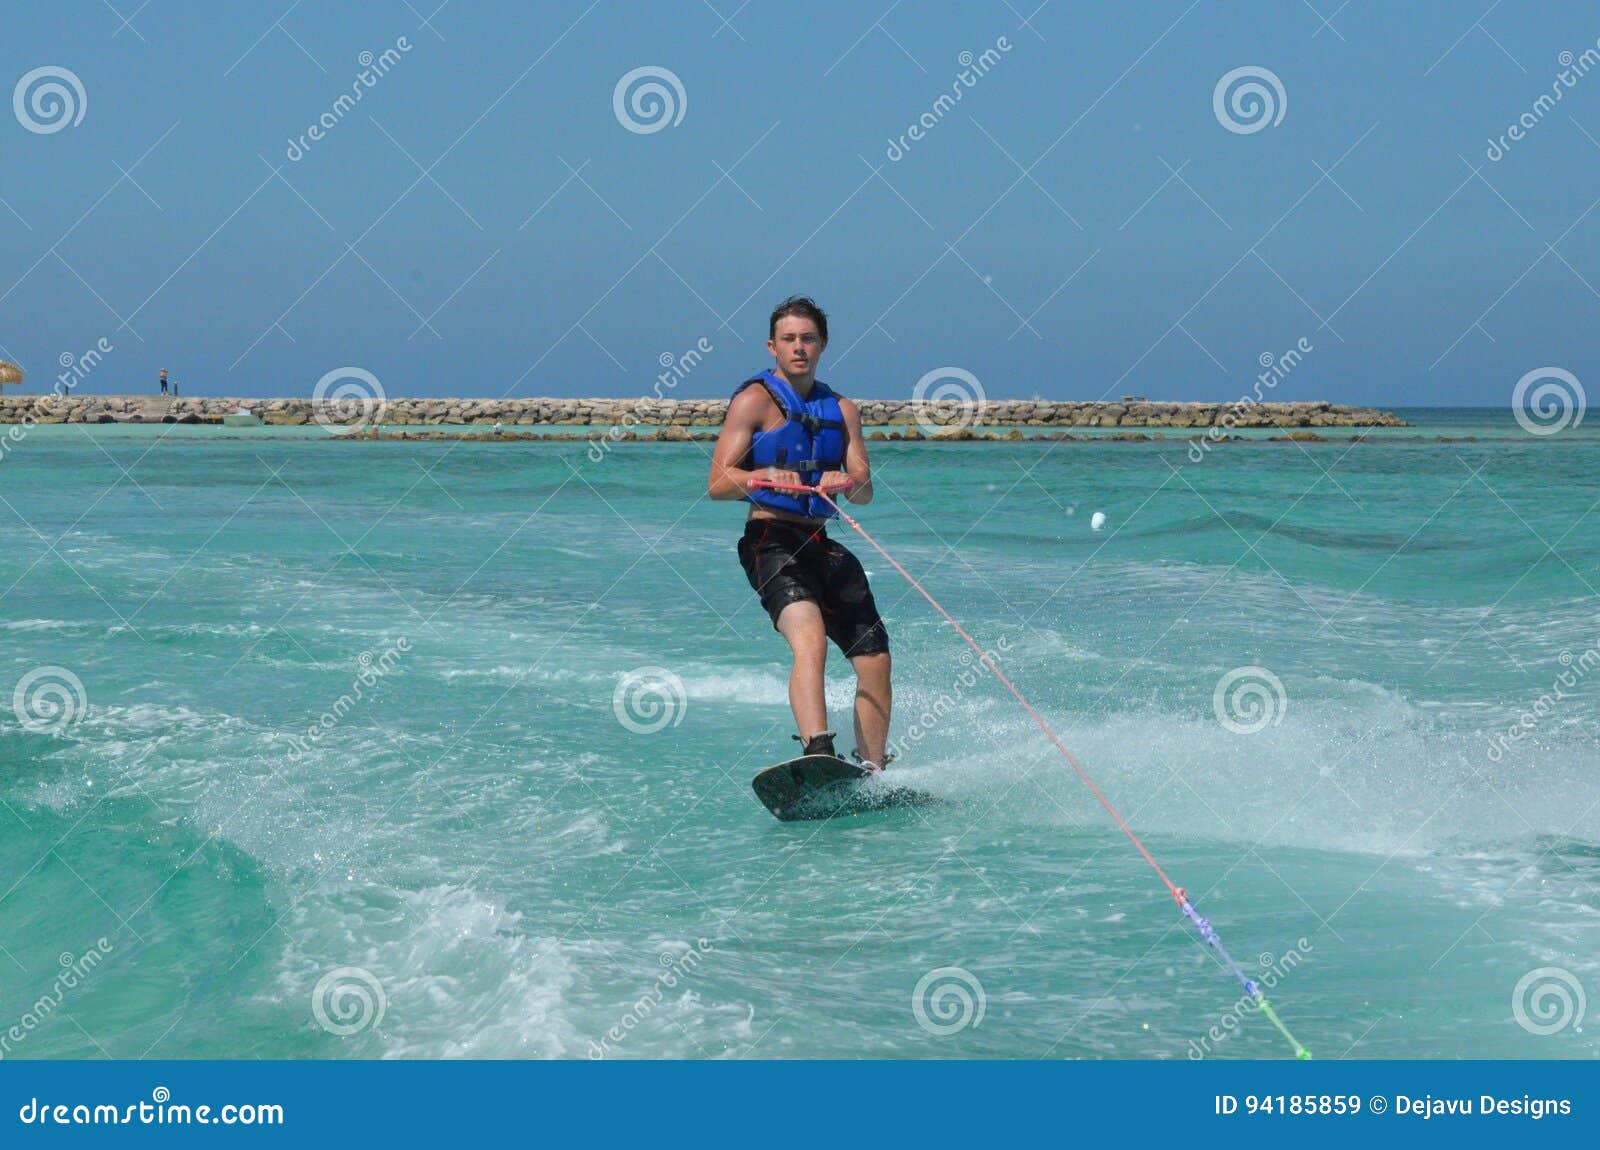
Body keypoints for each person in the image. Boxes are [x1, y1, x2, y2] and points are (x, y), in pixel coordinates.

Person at [708, 296, 893, 770]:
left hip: (820, 543)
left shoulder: (843, 410)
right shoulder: (753, 402)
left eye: (807, 339)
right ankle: (818, 751)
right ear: (772, 346)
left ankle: (873, 766)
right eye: (789, 339)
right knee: (809, 637)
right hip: (769, 542)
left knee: (875, 657)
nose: (799, 348)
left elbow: (866, 493)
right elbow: (717, 484)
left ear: (823, 345)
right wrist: (762, 475)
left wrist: (847, 481)